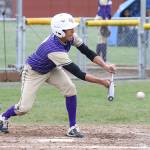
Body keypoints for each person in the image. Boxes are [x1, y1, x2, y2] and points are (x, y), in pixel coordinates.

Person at [0, 13, 116, 138]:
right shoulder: (54, 49)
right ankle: (3, 117)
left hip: (52, 68)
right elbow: (79, 73)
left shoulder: (70, 37)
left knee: (70, 89)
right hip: (34, 72)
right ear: (60, 32)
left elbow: (87, 52)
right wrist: (103, 82)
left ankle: (72, 127)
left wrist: (105, 66)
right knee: (24, 108)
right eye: (69, 28)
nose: (73, 30)